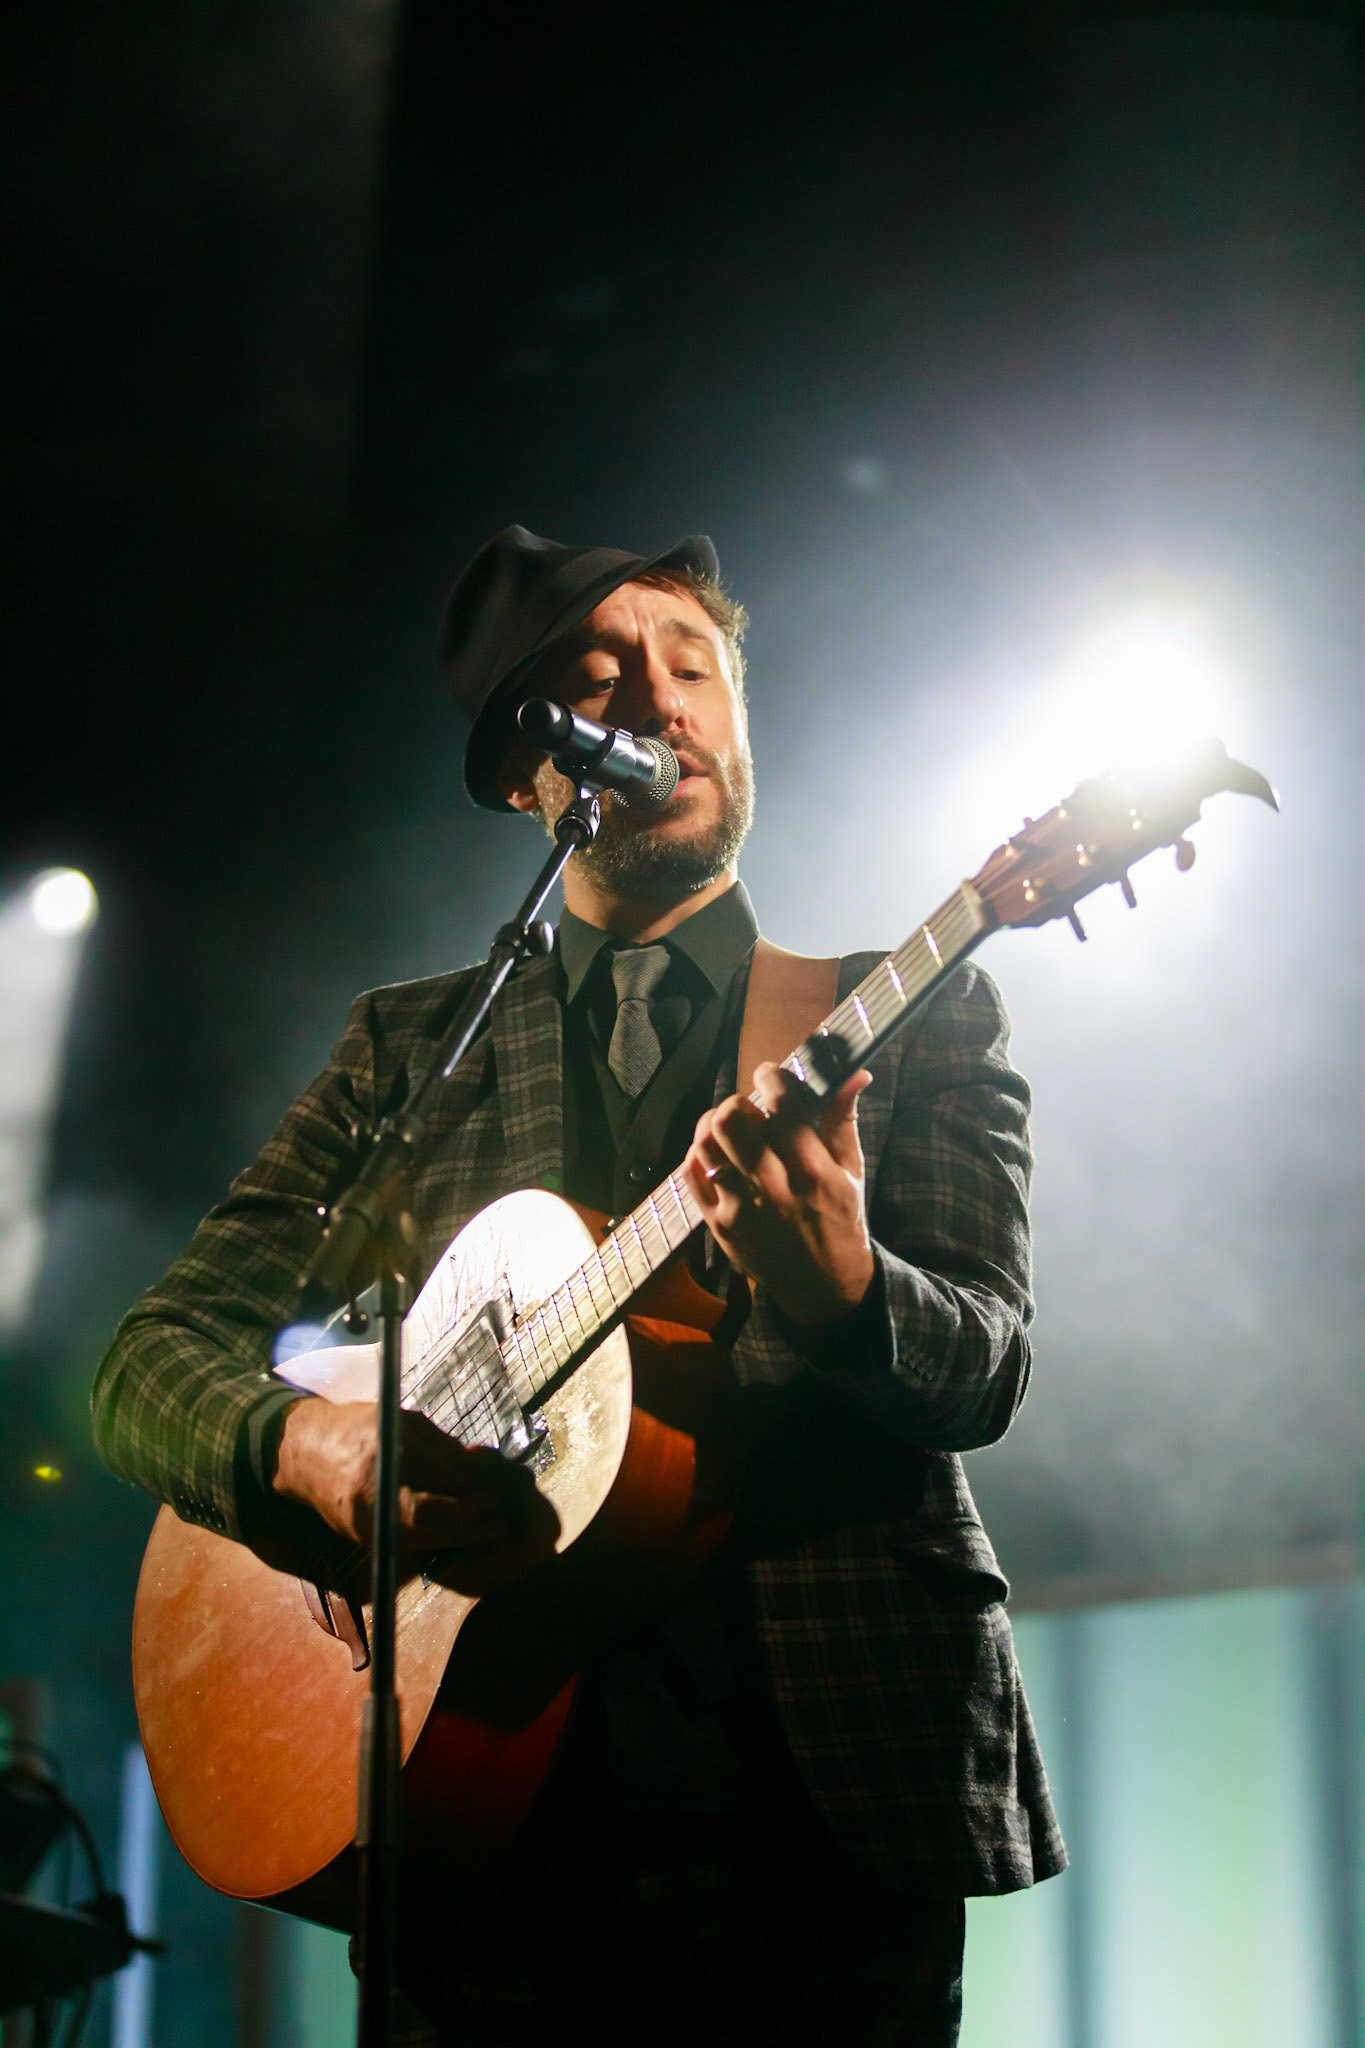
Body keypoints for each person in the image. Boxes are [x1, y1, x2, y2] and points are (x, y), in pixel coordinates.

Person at [93, 525, 1065, 2045]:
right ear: (526, 774)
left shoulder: (905, 1019)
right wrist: (328, 1450)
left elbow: (981, 1370)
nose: (659, 701)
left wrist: (841, 1286)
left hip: (813, 1818)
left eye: (693, 665)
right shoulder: (409, 1051)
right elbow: (150, 1363)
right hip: (468, 1828)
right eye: (595, 681)